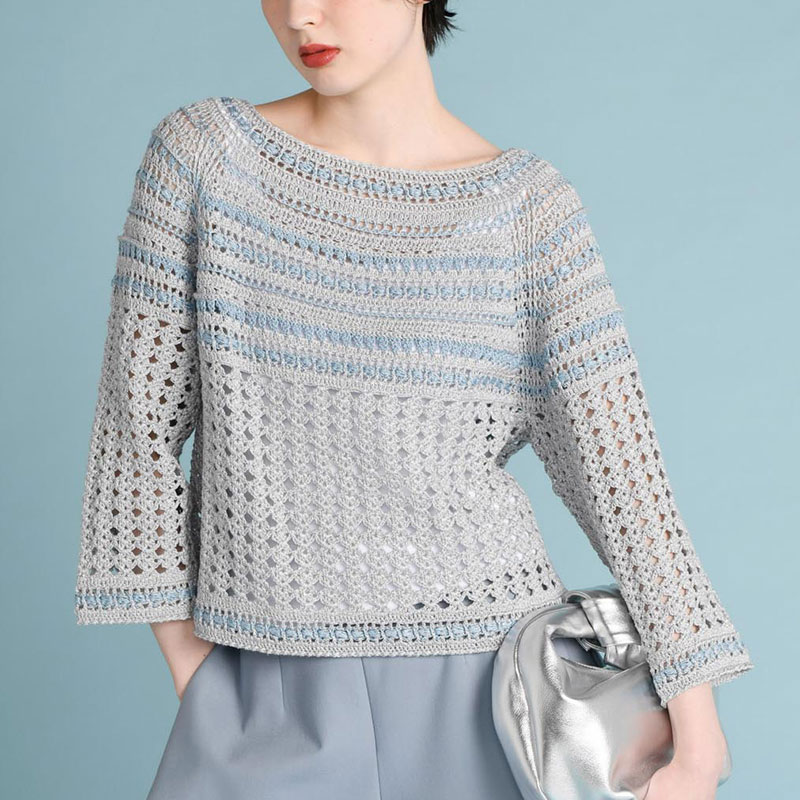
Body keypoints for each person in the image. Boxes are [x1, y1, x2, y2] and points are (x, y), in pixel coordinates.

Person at [73, 2, 754, 798]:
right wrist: (196, 672)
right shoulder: (204, 158)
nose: (302, 15)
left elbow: (625, 482)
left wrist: (698, 736)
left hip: (494, 689)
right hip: (265, 682)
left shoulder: (527, 210)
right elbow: (138, 429)